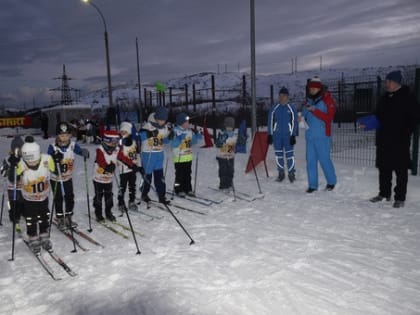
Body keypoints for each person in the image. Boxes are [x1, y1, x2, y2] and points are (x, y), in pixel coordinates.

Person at [362, 70, 420, 208]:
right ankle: (384, 194)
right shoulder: (384, 98)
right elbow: (378, 115)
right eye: (386, 81)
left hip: (400, 140)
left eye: (388, 81)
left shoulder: (408, 98)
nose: (386, 84)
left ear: (396, 82)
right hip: (384, 139)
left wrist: (405, 132)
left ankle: (400, 197)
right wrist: (369, 122)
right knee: (384, 168)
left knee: (400, 170)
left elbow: (415, 118)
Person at [8, 136, 55, 253]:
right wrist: (13, 166)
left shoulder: (46, 159)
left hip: (43, 196)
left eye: (34, 160)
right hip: (29, 199)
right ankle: (33, 236)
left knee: (44, 216)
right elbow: (12, 178)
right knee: (31, 218)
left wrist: (56, 159)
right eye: (29, 160)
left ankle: (44, 234)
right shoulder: (21, 163)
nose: (32, 163)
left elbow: (54, 169)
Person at [48, 122, 90, 230]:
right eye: (62, 135)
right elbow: (48, 162)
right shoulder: (52, 147)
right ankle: (60, 218)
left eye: (67, 135)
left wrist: (84, 152)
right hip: (56, 179)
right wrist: (54, 164)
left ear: (70, 135)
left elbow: (79, 151)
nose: (64, 137)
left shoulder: (73, 145)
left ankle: (68, 216)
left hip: (67, 177)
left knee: (69, 197)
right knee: (58, 198)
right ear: (57, 136)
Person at [301, 76, 337, 193]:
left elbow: (329, 118)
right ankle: (312, 185)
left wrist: (314, 110)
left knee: (324, 160)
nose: (311, 90)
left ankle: (331, 182)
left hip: (322, 136)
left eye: (313, 88)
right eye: (310, 88)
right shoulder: (308, 101)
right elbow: (305, 116)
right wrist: (301, 118)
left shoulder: (328, 100)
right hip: (310, 136)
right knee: (310, 161)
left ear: (319, 89)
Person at [138, 107, 170, 204]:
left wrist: (170, 135)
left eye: (164, 120)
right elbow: (141, 136)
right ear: (156, 118)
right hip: (148, 154)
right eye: (160, 120)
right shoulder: (147, 125)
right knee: (147, 176)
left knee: (159, 177)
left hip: (159, 154)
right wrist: (150, 134)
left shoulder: (164, 127)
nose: (162, 122)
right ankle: (144, 193)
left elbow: (165, 140)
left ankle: (161, 195)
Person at [267, 86, 298, 182]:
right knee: (278, 155)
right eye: (280, 95)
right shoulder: (274, 108)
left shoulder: (291, 108)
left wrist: (293, 135)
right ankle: (281, 173)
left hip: (288, 136)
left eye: (283, 95)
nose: (281, 97)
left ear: (287, 96)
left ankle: (291, 173)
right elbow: (270, 121)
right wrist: (270, 134)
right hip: (277, 136)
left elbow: (294, 122)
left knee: (289, 155)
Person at [170, 112, 202, 197]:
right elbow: (173, 144)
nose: (188, 123)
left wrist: (197, 136)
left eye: (188, 122)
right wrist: (179, 139)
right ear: (181, 123)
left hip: (188, 157)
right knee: (179, 175)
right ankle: (178, 189)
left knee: (188, 174)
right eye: (187, 122)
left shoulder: (189, 131)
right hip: (179, 157)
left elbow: (193, 142)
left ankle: (188, 189)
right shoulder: (175, 131)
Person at [93, 129, 120, 222]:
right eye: (112, 142)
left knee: (109, 197)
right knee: (99, 196)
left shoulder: (116, 150)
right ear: (106, 141)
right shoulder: (100, 149)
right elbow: (100, 160)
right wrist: (107, 167)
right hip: (98, 179)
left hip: (109, 179)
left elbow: (123, 157)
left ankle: (108, 212)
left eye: (116, 142)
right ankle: (98, 213)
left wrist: (132, 165)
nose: (114, 144)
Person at [117, 121, 143, 212]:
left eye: (125, 132)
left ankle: (131, 201)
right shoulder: (120, 143)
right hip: (124, 169)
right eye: (122, 132)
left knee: (132, 186)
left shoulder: (134, 142)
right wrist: (130, 164)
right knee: (122, 187)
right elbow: (119, 156)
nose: (123, 134)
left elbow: (137, 155)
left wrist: (139, 166)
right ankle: (120, 202)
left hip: (133, 169)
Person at [0, 135, 25, 233]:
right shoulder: (8, 159)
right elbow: (2, 172)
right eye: (16, 148)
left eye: (20, 148)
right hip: (12, 187)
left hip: (22, 186)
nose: (18, 151)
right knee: (13, 203)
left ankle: (23, 213)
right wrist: (7, 168)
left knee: (23, 202)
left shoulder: (24, 158)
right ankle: (14, 217)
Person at [215, 116, 238, 190]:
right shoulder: (221, 134)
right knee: (223, 170)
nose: (229, 128)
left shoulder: (234, 135)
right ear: (225, 126)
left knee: (230, 170)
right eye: (227, 126)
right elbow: (218, 144)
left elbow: (236, 145)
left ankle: (229, 183)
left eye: (231, 127)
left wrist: (240, 143)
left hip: (231, 156)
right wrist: (221, 140)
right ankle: (223, 184)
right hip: (222, 156)